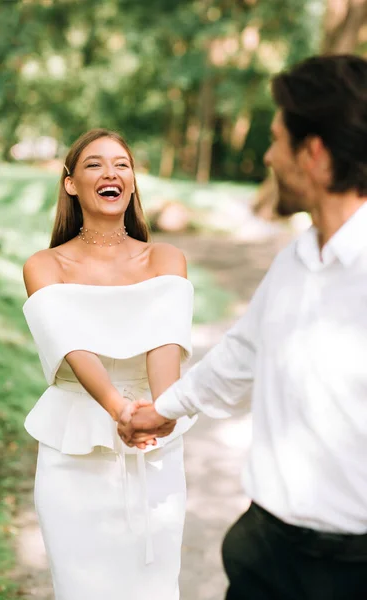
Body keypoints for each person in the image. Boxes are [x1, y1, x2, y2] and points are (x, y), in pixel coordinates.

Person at [120, 54, 367, 600]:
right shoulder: (296, 259)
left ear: (315, 154)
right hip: (267, 549)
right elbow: (240, 359)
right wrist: (160, 411)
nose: (267, 155)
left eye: (278, 140)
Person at [22, 128, 197, 600]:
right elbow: (72, 347)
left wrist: (154, 416)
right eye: (94, 164)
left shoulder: (166, 258)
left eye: (121, 163)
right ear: (71, 184)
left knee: (154, 586)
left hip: (153, 445)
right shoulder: (45, 265)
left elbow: (165, 347)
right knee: (80, 586)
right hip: (73, 445)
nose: (111, 172)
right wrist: (118, 408)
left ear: (133, 182)